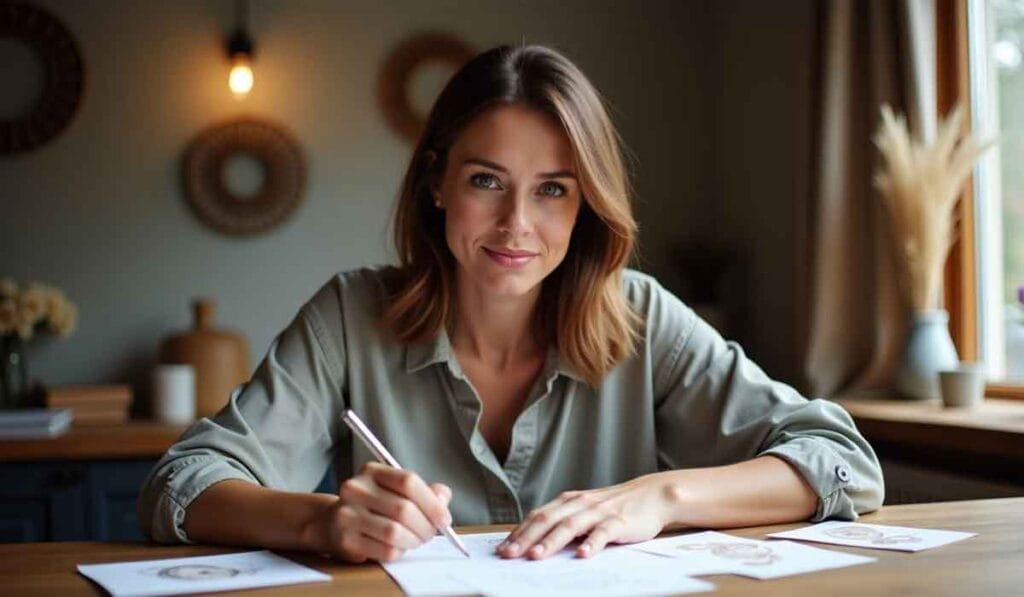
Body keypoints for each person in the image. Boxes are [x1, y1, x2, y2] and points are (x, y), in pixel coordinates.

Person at [138, 44, 883, 564]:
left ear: (584, 203)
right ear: (438, 183)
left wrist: (659, 497)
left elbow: (843, 462)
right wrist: (325, 519)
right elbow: (182, 482)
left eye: (553, 189)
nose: (516, 224)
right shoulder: (349, 315)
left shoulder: (640, 316)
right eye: (487, 181)